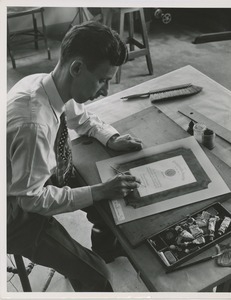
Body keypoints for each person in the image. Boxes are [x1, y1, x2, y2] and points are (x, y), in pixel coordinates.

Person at [7, 21, 143, 292]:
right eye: (103, 79)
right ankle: (86, 271)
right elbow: (31, 200)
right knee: (99, 277)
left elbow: (80, 117)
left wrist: (110, 138)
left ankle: (105, 248)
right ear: (77, 68)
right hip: (15, 212)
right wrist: (99, 190)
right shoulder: (34, 125)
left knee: (107, 204)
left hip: (33, 178)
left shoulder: (43, 83)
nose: (106, 90)